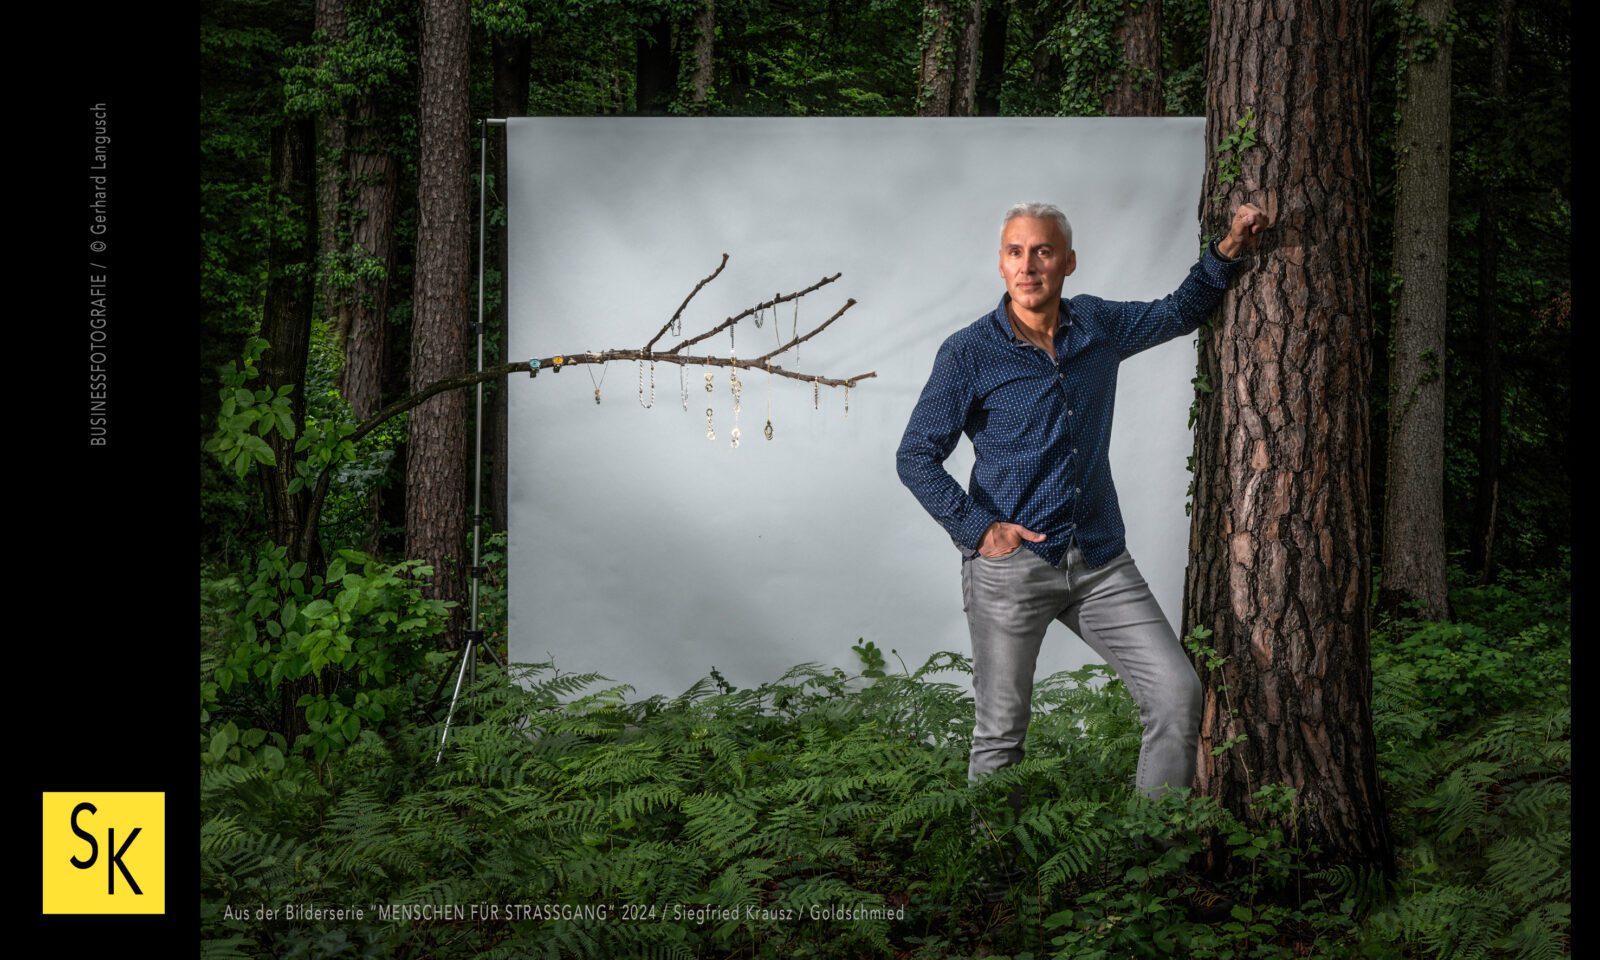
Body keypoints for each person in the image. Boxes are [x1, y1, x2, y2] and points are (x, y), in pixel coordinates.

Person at [895, 200, 1267, 845]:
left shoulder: (1097, 324)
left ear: (1068, 262)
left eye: (1042, 251)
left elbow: (1177, 312)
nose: (1028, 265)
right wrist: (982, 530)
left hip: (1099, 560)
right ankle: (992, 869)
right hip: (1012, 571)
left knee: (1177, 696)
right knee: (1002, 732)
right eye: (1015, 251)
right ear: (1001, 263)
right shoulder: (969, 354)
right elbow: (916, 455)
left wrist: (1230, 247)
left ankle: (1151, 856)